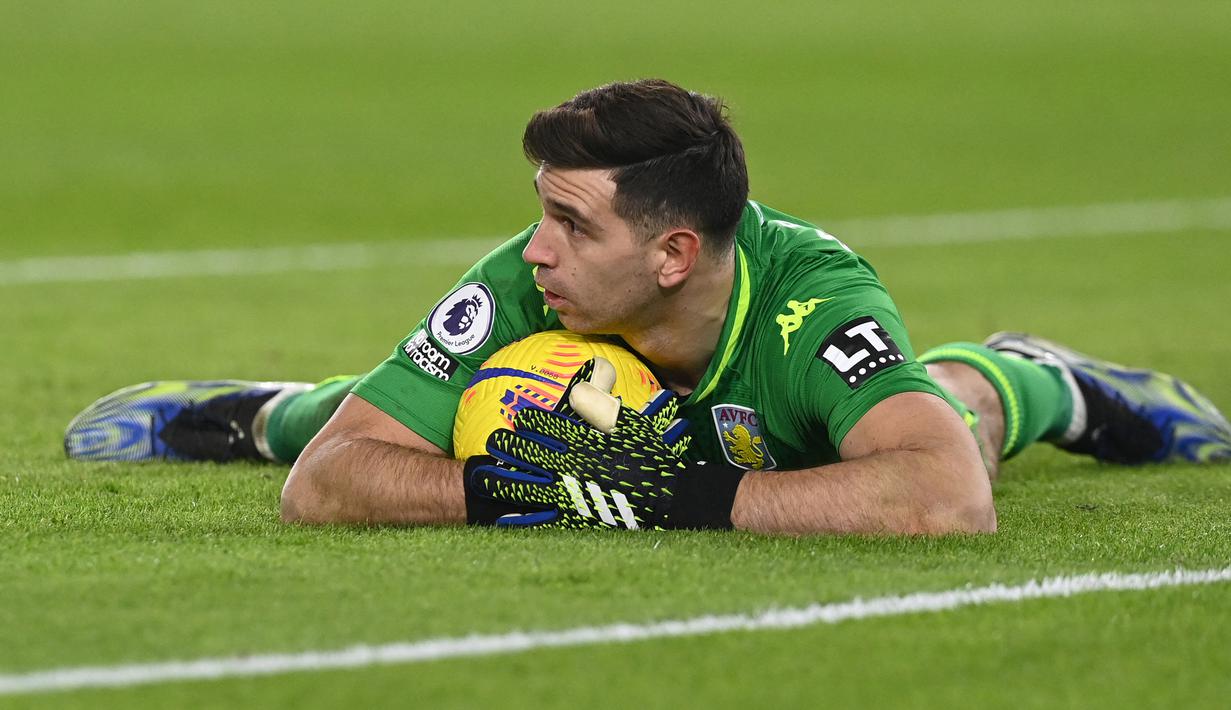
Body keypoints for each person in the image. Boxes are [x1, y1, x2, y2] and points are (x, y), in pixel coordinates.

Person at [63, 79, 1231, 534]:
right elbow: (327, 481)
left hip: (768, 427)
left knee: (955, 424)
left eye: (573, 223)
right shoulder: (526, 281)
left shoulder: (811, 306)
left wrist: (680, 495)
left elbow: (944, 502)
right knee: (437, 405)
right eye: (540, 210)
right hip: (586, 427)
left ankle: (1040, 378)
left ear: (674, 252)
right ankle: (256, 407)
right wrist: (536, 484)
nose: (537, 248)